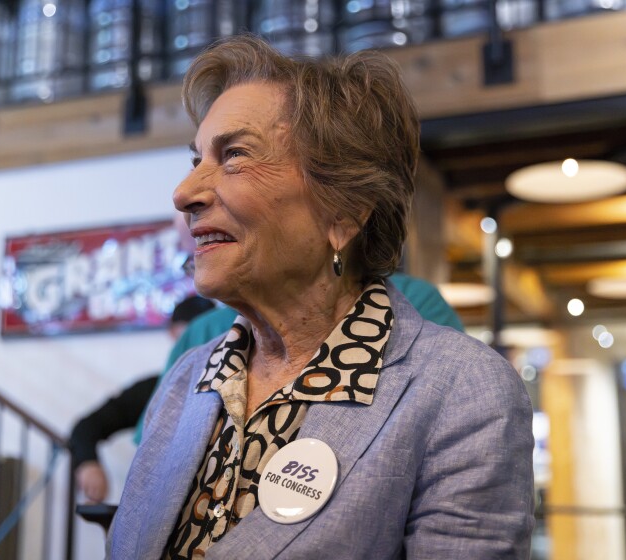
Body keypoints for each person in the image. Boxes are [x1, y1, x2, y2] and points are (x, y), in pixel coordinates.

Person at [108, 35, 533, 559]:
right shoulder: (187, 381)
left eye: (234, 155)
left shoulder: (461, 390)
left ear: (345, 212)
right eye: (198, 158)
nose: (184, 193)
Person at [132, 272, 465, 444]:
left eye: (236, 157)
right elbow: (155, 456)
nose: (185, 195)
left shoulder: (415, 304)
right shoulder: (195, 348)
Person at [69, 294, 215, 503]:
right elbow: (85, 428)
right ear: (174, 334)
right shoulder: (155, 389)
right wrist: (89, 465)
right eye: (192, 332)